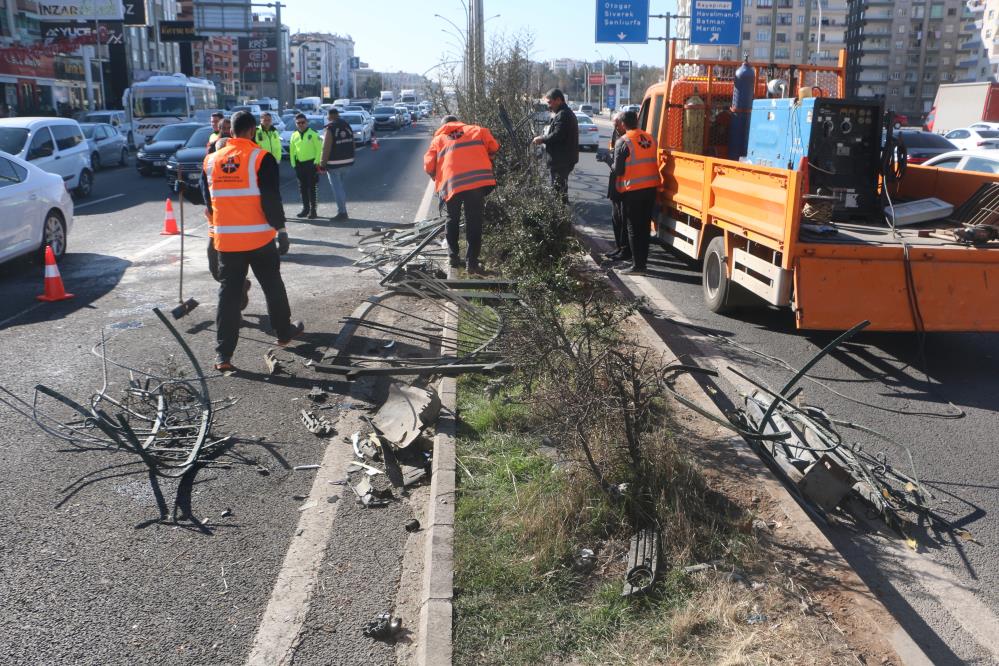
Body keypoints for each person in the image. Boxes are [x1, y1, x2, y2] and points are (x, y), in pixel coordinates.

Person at [200, 110, 303, 372]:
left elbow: (207, 201)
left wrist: (216, 232)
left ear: (231, 131)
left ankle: (223, 355)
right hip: (258, 239)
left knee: (229, 296)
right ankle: (283, 333)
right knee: (272, 285)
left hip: (227, 242)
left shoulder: (211, 161)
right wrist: (281, 229)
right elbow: (271, 198)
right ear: (252, 131)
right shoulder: (261, 158)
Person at [424, 114, 500, 274]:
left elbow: (429, 165)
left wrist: (436, 175)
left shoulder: (438, 139)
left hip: (452, 185)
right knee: (474, 221)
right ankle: (471, 263)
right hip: (476, 183)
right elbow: (494, 147)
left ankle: (453, 256)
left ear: (444, 126)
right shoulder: (478, 130)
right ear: (458, 122)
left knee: (452, 218)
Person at [611, 110, 660, 276]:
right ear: (637, 122)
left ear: (623, 125)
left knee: (633, 227)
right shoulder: (650, 138)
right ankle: (642, 263)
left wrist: (608, 160)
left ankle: (637, 266)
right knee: (645, 227)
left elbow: (618, 170)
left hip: (633, 190)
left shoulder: (623, 141)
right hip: (651, 187)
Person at [532, 88, 578, 204]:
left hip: (561, 160)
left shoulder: (563, 115)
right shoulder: (563, 113)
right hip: (562, 159)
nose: (549, 106)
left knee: (558, 192)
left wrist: (541, 139)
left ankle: (560, 218)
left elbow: (558, 135)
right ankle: (562, 217)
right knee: (560, 190)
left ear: (558, 100)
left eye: (550, 102)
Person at [601, 113, 630, 262]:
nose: (616, 128)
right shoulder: (616, 133)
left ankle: (624, 250)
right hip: (615, 181)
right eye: (614, 125)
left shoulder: (628, 139)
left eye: (618, 125)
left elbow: (619, 166)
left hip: (625, 183)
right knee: (615, 217)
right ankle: (619, 247)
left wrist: (608, 160)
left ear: (624, 124)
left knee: (622, 217)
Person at [318, 108, 355, 221]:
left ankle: (342, 212)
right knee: (340, 187)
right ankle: (343, 210)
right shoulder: (347, 126)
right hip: (348, 162)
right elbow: (352, 143)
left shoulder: (330, 128)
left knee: (337, 189)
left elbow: (325, 148)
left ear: (329, 116)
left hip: (334, 164)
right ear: (338, 115)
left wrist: (322, 164)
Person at [289, 113, 322, 219]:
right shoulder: (294, 135)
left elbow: (319, 149)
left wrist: (316, 162)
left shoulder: (313, 134)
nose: (301, 124)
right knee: (302, 188)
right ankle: (305, 209)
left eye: (303, 122)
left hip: (311, 164)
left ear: (307, 122)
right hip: (299, 164)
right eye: (298, 123)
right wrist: (294, 164)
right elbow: (292, 151)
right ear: (296, 124)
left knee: (312, 188)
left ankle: (313, 211)